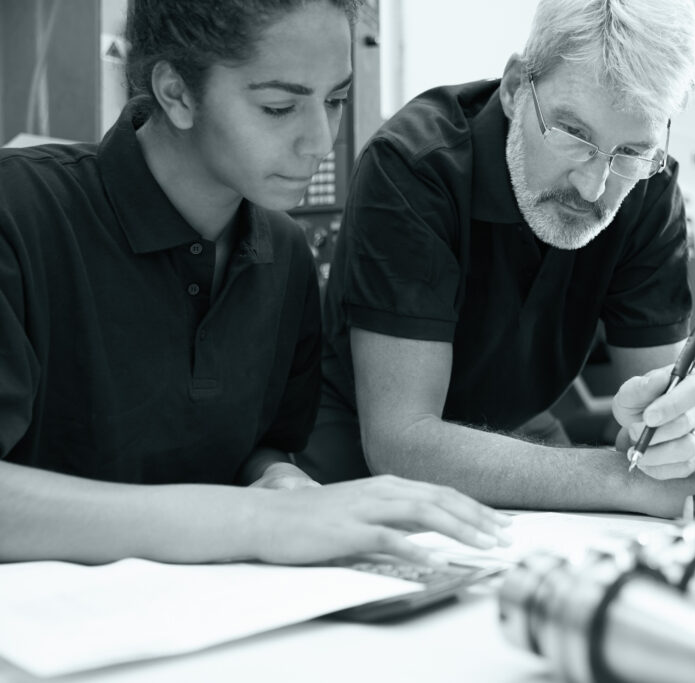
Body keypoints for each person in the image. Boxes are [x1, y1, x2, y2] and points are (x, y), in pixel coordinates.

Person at [0, 0, 509, 566]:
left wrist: (281, 481)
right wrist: (254, 520)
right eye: (278, 107)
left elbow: (259, 446)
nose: (320, 140)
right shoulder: (19, 214)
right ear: (177, 93)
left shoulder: (284, 251)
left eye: (336, 100)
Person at [302, 0, 695, 518]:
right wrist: (625, 479)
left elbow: (660, 418)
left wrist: (683, 437)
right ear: (517, 86)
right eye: (573, 134)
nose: (594, 187)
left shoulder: (647, 189)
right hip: (360, 462)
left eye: (632, 152)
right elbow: (402, 441)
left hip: (521, 437)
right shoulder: (414, 168)